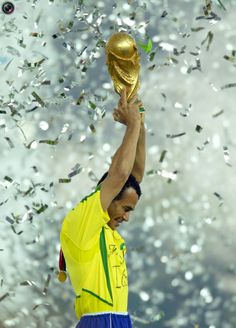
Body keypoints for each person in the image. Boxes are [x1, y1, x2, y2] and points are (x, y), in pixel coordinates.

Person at [59, 87, 146, 328]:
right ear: (109, 197)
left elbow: (133, 176)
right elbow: (119, 174)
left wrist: (139, 121)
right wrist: (132, 126)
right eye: (125, 209)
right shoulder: (83, 221)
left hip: (119, 320)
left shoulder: (105, 229)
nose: (126, 218)